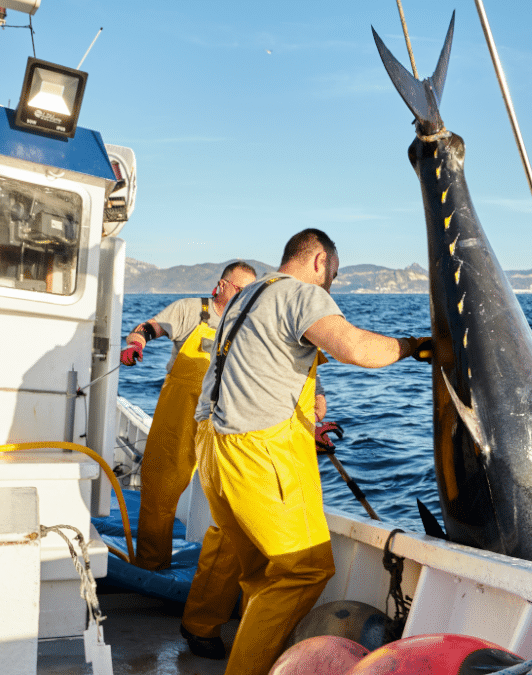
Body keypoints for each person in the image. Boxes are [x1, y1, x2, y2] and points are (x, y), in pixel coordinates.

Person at [178, 229, 431, 675]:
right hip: (257, 453)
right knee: (303, 570)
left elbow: (255, 368)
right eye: (333, 272)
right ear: (318, 261)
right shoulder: (302, 294)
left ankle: (220, 635)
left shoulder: (249, 294)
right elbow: (353, 347)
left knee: (259, 570)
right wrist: (412, 347)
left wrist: (308, 413)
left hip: (213, 447)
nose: (332, 282)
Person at [119, 261, 257, 571]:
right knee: (161, 487)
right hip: (180, 409)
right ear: (222, 286)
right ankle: (151, 565)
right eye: (239, 290)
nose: (244, 298)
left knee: (235, 495)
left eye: (250, 293)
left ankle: (226, 573)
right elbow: (149, 328)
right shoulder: (190, 310)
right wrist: (136, 343)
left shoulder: (249, 325)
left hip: (225, 416)